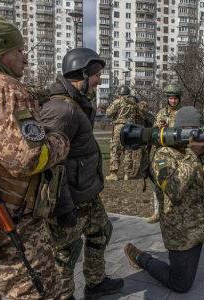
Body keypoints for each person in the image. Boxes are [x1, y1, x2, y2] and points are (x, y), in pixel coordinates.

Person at [0, 15, 70, 299]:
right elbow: (28, 159)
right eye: (20, 50)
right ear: (0, 51)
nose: (26, 58)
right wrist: (59, 142)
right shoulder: (2, 89)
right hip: (11, 231)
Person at [124, 106, 204, 293]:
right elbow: (175, 190)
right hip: (181, 226)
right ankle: (140, 257)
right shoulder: (163, 155)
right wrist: (193, 154)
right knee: (181, 284)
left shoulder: (202, 155)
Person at [40, 48, 124, 300]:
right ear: (83, 74)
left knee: (101, 232)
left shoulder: (77, 103)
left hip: (87, 194)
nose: (99, 80)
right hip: (70, 201)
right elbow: (51, 164)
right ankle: (63, 296)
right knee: (66, 253)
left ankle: (95, 283)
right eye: (97, 75)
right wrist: (63, 208)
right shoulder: (61, 110)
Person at [146, 83, 184, 223]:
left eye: (175, 98)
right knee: (159, 181)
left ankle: (175, 212)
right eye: (171, 98)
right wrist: (159, 127)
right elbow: (154, 132)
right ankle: (157, 212)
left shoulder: (183, 113)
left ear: (179, 99)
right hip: (162, 152)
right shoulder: (161, 112)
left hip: (178, 152)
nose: (173, 101)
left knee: (178, 182)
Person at [105, 85, 140, 181]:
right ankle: (127, 174)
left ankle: (114, 174)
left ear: (120, 93)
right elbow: (139, 114)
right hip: (130, 128)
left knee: (115, 150)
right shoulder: (134, 103)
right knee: (128, 150)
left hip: (119, 127)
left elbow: (108, 113)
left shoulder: (118, 101)